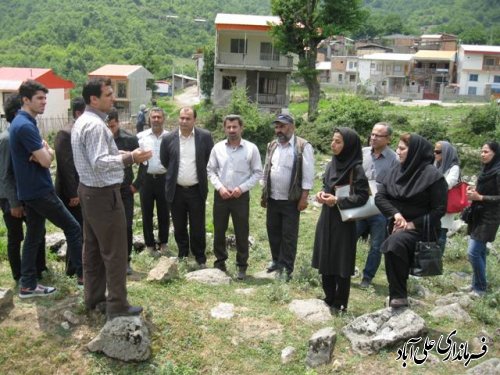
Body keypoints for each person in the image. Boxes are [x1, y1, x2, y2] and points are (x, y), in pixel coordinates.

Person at [72, 78, 152, 318]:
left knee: (94, 250)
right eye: (108, 94)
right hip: (104, 196)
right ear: (93, 99)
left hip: (88, 192)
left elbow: (97, 154)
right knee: (115, 251)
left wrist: (126, 153)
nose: (113, 98)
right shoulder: (96, 126)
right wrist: (131, 159)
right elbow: (99, 162)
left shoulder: (83, 121)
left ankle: (94, 297)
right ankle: (117, 305)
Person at [10, 80, 83, 298]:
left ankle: (28, 285)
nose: (44, 102)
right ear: (26, 100)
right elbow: (45, 160)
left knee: (33, 236)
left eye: (45, 98)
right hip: (40, 190)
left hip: (30, 191)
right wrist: (46, 152)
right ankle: (83, 277)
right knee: (73, 228)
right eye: (39, 98)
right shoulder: (24, 125)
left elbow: (42, 155)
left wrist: (44, 151)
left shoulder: (23, 123)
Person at [375, 133, 447, 308]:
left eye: (402, 148)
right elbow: (380, 197)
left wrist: (411, 224)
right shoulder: (395, 171)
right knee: (394, 246)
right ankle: (397, 295)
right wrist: (396, 215)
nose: (397, 152)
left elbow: (439, 209)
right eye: (398, 148)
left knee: (393, 245)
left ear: (414, 151)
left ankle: (398, 295)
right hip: (397, 225)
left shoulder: (433, 176)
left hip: (421, 229)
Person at [312, 128, 369, 312]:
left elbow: (362, 197)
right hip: (327, 217)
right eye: (333, 140)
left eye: (338, 142)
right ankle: (328, 296)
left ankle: (340, 302)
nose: (333, 144)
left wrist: (338, 200)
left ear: (348, 146)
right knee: (325, 256)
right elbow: (327, 185)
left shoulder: (356, 168)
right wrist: (322, 194)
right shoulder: (331, 164)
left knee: (342, 261)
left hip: (344, 220)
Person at [207, 114, 263, 280]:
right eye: (228, 127)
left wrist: (242, 188)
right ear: (224, 128)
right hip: (221, 196)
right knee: (218, 230)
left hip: (241, 197)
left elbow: (258, 172)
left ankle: (241, 266)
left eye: (235, 127)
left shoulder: (251, 148)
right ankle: (220, 262)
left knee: (241, 231)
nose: (231, 130)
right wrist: (220, 188)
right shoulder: (217, 148)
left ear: (241, 128)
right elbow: (210, 170)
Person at [261, 113, 314, 279]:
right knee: (273, 231)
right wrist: (264, 194)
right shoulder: (272, 145)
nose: (279, 130)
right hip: (273, 198)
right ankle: (276, 260)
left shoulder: (302, 146)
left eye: (282, 126)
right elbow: (266, 170)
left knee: (288, 235)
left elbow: (308, 174)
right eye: (277, 127)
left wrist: (304, 197)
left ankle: (286, 268)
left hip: (291, 200)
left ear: (292, 127)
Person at [160, 107, 214, 267]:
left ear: (194, 120)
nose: (184, 121)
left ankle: (200, 257)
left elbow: (209, 159)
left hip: (196, 190)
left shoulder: (204, 137)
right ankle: (183, 254)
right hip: (176, 191)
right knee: (179, 225)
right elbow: (165, 161)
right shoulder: (168, 138)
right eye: (181, 118)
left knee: (198, 226)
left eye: (187, 118)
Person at [0, 93, 46, 282]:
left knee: (38, 232)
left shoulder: (23, 133)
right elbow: (5, 175)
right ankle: (19, 274)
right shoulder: (7, 138)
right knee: (16, 236)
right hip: (12, 198)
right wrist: (14, 203)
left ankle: (39, 268)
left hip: (28, 194)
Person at [357, 122, 398, 288]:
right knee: (349, 238)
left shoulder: (394, 159)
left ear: (388, 139)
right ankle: (345, 269)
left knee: (376, 245)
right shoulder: (362, 153)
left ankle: (367, 277)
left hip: (380, 210)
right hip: (359, 206)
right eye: (372, 134)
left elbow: (396, 185)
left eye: (378, 135)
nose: (373, 138)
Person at [106, 108, 140, 274]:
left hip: (125, 190)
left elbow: (145, 164)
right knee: (106, 226)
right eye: (107, 127)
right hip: (104, 191)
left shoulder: (130, 139)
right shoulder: (99, 139)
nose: (110, 130)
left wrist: (137, 184)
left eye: (112, 126)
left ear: (117, 123)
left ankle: (125, 261)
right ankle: (107, 261)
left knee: (125, 226)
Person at [55, 97, 86, 276]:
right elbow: (66, 166)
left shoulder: (79, 131)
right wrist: (73, 193)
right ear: (78, 113)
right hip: (70, 194)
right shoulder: (66, 133)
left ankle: (76, 267)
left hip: (82, 190)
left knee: (80, 231)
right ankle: (73, 269)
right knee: (76, 230)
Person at [464, 141, 500, 297]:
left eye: (486, 152)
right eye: (481, 151)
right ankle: (477, 284)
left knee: (473, 252)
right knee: (479, 252)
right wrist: (474, 191)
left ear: (495, 154)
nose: (482, 154)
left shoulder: (498, 171)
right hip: (478, 214)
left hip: (490, 217)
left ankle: (480, 288)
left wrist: (480, 197)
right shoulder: (486, 169)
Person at [135, 107, 169, 258]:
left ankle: (163, 244)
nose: (156, 120)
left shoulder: (170, 137)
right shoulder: (141, 137)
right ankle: (149, 244)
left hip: (164, 179)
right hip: (146, 180)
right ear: (149, 119)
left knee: (164, 213)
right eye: (153, 117)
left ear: (163, 119)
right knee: (146, 212)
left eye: (159, 117)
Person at [434, 140, 460, 254]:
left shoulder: (453, 168)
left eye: (438, 151)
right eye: (434, 151)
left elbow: (448, 184)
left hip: (445, 205)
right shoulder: (436, 165)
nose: (435, 153)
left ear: (446, 153)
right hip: (433, 204)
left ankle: (437, 260)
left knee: (441, 233)